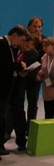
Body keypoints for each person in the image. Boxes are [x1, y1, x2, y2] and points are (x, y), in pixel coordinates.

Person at [0, 25, 29, 158]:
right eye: (21, 40)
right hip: (1, 87)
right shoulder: (2, 44)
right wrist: (18, 65)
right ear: (14, 36)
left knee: (3, 116)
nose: (22, 43)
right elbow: (3, 65)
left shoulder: (11, 47)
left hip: (7, 87)